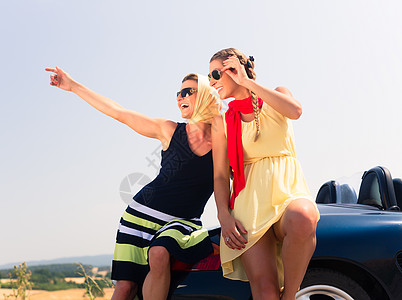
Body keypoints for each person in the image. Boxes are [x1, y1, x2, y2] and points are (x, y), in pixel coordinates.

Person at [45, 67, 220, 300]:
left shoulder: (222, 144)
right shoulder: (169, 130)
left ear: (206, 95)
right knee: (126, 288)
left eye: (188, 91)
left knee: (159, 253)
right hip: (138, 218)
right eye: (178, 93)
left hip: (182, 222)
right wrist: (74, 86)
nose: (180, 97)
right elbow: (120, 113)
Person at [208, 48, 320, 300]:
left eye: (216, 73)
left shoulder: (277, 95)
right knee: (265, 293)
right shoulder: (222, 122)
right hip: (248, 206)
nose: (212, 81)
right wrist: (223, 215)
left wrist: (247, 82)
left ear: (235, 69)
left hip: (287, 193)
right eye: (209, 76)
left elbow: (295, 111)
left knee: (304, 216)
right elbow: (220, 175)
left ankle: (291, 295)